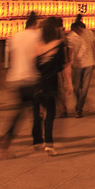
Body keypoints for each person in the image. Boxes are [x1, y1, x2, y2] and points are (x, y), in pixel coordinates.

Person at [0, 12, 40, 157]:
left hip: (15, 78)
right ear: (35, 24)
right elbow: (38, 56)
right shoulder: (37, 36)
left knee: (21, 112)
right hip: (30, 78)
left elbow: (11, 58)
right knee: (34, 112)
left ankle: (7, 143)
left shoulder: (15, 36)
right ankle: (38, 141)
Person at [33, 16, 69, 155]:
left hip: (37, 84)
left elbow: (33, 65)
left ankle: (37, 141)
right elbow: (63, 66)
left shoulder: (37, 46)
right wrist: (69, 83)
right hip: (50, 84)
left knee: (38, 113)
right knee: (50, 113)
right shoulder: (58, 45)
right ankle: (49, 144)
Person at [66, 17, 95, 117]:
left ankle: (79, 109)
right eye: (77, 30)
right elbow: (70, 51)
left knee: (85, 88)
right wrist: (69, 63)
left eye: (81, 29)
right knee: (76, 87)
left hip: (88, 63)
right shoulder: (71, 37)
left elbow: (93, 46)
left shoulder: (89, 33)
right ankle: (79, 103)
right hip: (77, 64)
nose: (80, 31)